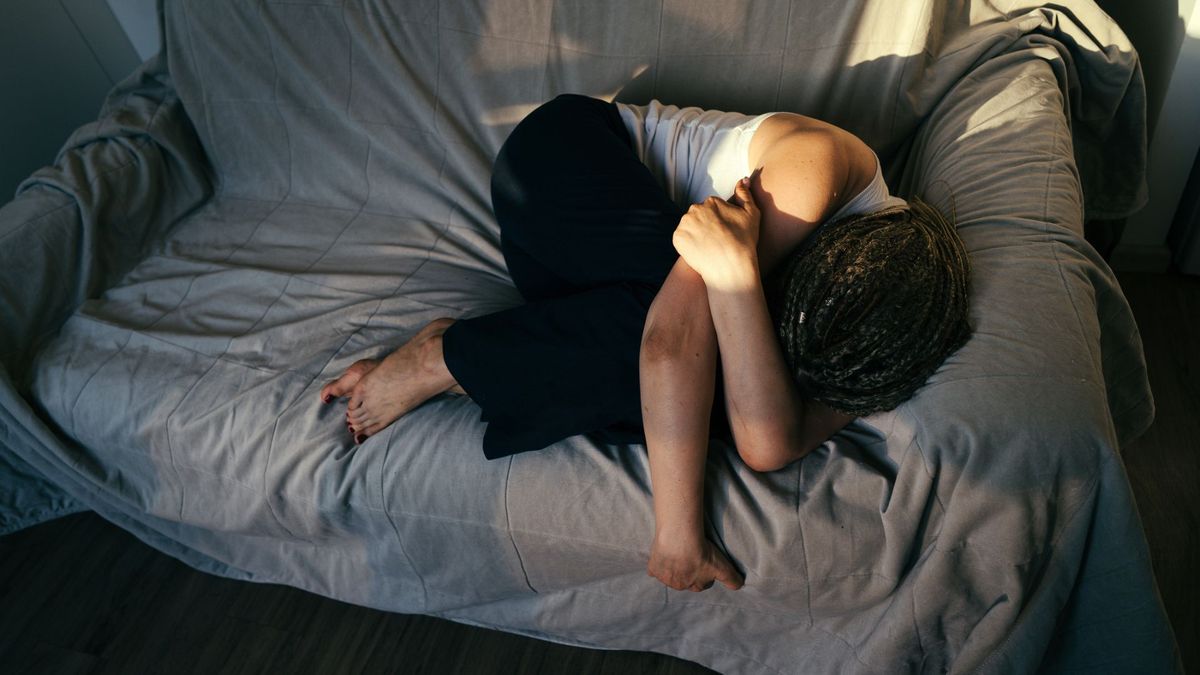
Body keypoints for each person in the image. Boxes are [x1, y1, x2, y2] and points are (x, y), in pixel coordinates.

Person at [317, 94, 972, 593]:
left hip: (588, 290)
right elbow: (665, 338)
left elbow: (768, 441)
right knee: (689, 348)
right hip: (561, 168)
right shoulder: (821, 175)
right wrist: (677, 534)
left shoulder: (895, 341)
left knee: (714, 396)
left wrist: (739, 277)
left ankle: (483, 355)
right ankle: (444, 358)